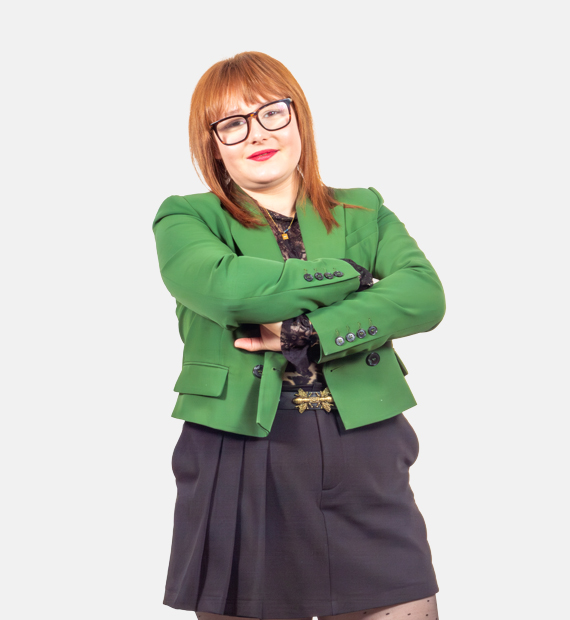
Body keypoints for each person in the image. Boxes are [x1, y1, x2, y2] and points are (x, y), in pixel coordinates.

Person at [152, 51, 445, 620]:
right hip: (239, 450)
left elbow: (424, 296)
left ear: (298, 117)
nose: (256, 133)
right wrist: (351, 276)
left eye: (271, 113)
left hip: (367, 445)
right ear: (213, 144)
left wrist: (308, 329)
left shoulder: (363, 210)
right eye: (232, 123)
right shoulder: (185, 218)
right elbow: (230, 290)